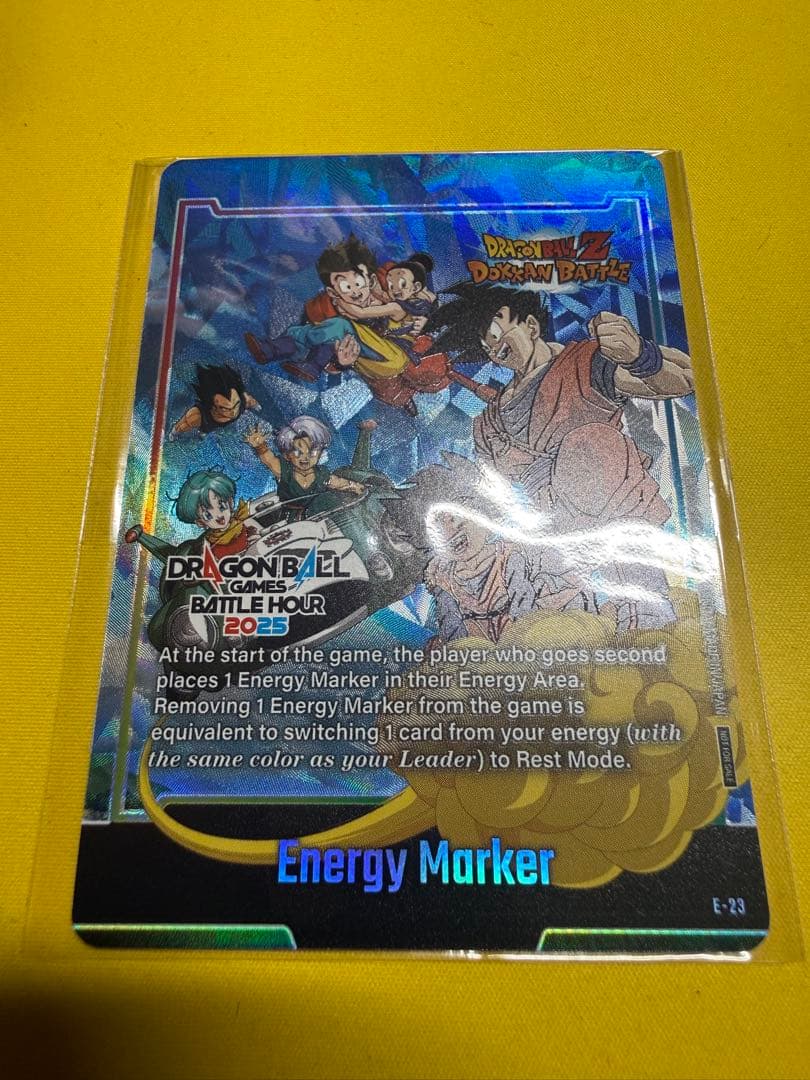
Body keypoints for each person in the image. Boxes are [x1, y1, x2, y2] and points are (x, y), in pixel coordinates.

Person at [423, 283, 695, 630]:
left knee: (590, 445)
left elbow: (684, 379)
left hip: (607, 503)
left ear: (531, 326)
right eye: (486, 346)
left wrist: (640, 356)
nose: (494, 350)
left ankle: (647, 611)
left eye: (496, 334)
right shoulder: (490, 420)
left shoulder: (582, 365)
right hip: (551, 536)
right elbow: (495, 498)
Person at [244, 416, 393, 579]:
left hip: (328, 512)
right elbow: (270, 461)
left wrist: (356, 487)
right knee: (325, 500)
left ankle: (370, 556)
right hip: (298, 520)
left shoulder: (321, 473)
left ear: (320, 452)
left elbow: (337, 482)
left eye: (312, 451)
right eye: (298, 451)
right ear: (287, 455)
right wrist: (260, 447)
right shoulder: (285, 472)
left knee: (336, 504)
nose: (305, 457)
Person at [170, 364, 260, 439]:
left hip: (212, 425)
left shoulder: (243, 400)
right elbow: (183, 424)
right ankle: (203, 431)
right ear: (213, 406)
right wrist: (174, 433)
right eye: (225, 409)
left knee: (206, 429)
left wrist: (256, 406)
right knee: (192, 424)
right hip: (206, 423)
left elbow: (251, 401)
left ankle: (204, 431)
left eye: (236, 404)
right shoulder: (198, 415)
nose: (233, 412)